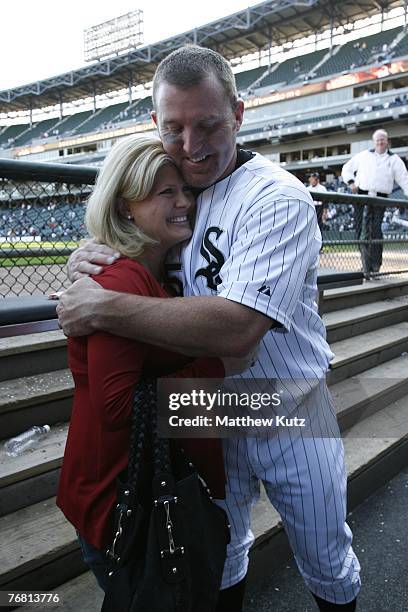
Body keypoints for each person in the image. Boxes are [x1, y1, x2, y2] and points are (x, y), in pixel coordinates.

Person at [58, 46, 361, 611]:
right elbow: (128, 239)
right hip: (200, 403)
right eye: (174, 128)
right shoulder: (178, 189)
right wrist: (90, 256)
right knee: (219, 550)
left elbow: (239, 330)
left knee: (324, 552)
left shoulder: (276, 195)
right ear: (155, 123)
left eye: (209, 125)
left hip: (286, 400)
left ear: (239, 116)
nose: (192, 146)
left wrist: (103, 306)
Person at [56, 134, 236, 593]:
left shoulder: (161, 269)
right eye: (165, 193)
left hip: (140, 490)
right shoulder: (122, 276)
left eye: (186, 191)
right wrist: (212, 364)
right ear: (124, 209)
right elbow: (116, 407)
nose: (184, 203)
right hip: (120, 500)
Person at [341, 129, 408, 278]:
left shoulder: (394, 159)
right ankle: (365, 264)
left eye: (382, 139)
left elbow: (404, 179)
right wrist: (351, 182)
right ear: (374, 141)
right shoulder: (364, 155)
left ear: (387, 141)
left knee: (376, 230)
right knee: (360, 231)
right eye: (377, 140)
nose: (380, 142)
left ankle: (375, 265)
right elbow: (347, 168)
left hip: (380, 198)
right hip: (362, 195)